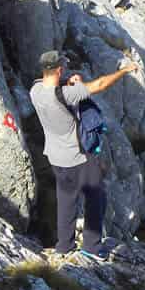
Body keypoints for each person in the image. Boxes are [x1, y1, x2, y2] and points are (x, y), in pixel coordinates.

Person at [29, 49, 137, 260]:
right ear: (59, 69)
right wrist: (124, 70)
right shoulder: (68, 94)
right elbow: (100, 84)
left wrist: (69, 81)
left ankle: (64, 246)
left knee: (66, 201)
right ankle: (92, 247)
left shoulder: (35, 90)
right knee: (96, 198)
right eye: (64, 68)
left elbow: (55, 88)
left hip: (55, 156)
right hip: (78, 157)